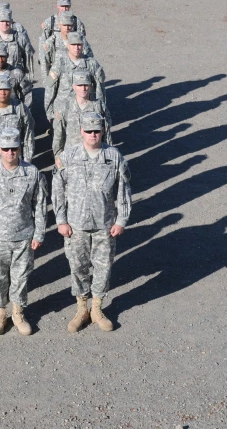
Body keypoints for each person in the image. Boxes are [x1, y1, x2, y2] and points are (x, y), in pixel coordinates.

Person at [52, 113, 132, 333]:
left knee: (103, 267)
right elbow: (58, 190)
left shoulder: (114, 156)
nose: (93, 135)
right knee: (78, 267)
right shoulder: (68, 156)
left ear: (103, 131)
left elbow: (124, 190)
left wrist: (122, 219)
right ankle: (82, 309)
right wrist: (61, 220)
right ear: (81, 132)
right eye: (88, 131)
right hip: (75, 225)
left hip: (104, 225)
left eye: (96, 131)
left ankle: (97, 308)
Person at [0, 128, 48, 336]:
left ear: (19, 148)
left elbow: (39, 206)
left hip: (23, 236)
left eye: (14, 148)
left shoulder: (32, 173)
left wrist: (39, 234)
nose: (10, 152)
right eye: (5, 148)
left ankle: (18, 312)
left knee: (21, 277)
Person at [44, 32, 106, 122]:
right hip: (63, 110)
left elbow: (100, 89)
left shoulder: (92, 64)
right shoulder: (59, 64)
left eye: (79, 45)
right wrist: (49, 112)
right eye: (73, 44)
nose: (76, 48)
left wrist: (100, 109)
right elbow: (50, 87)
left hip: (85, 109)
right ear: (68, 46)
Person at [52, 71, 112, 163]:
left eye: (86, 85)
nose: (83, 88)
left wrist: (108, 155)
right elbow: (58, 135)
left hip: (95, 156)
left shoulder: (99, 106)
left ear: (91, 86)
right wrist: (58, 158)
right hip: (72, 156)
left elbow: (106, 134)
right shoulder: (64, 107)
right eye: (79, 85)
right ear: (73, 86)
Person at [0, 9, 34, 77]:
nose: (5, 24)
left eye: (7, 21)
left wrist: (28, 80)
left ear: (11, 21)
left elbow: (28, 60)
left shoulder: (20, 38)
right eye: (2, 21)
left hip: (15, 80)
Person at [39, 11, 93, 79]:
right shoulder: (52, 41)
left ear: (73, 25)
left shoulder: (81, 41)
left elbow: (90, 60)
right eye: (64, 25)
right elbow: (44, 63)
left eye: (69, 25)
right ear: (59, 25)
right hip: (59, 78)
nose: (67, 28)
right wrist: (46, 83)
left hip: (78, 79)